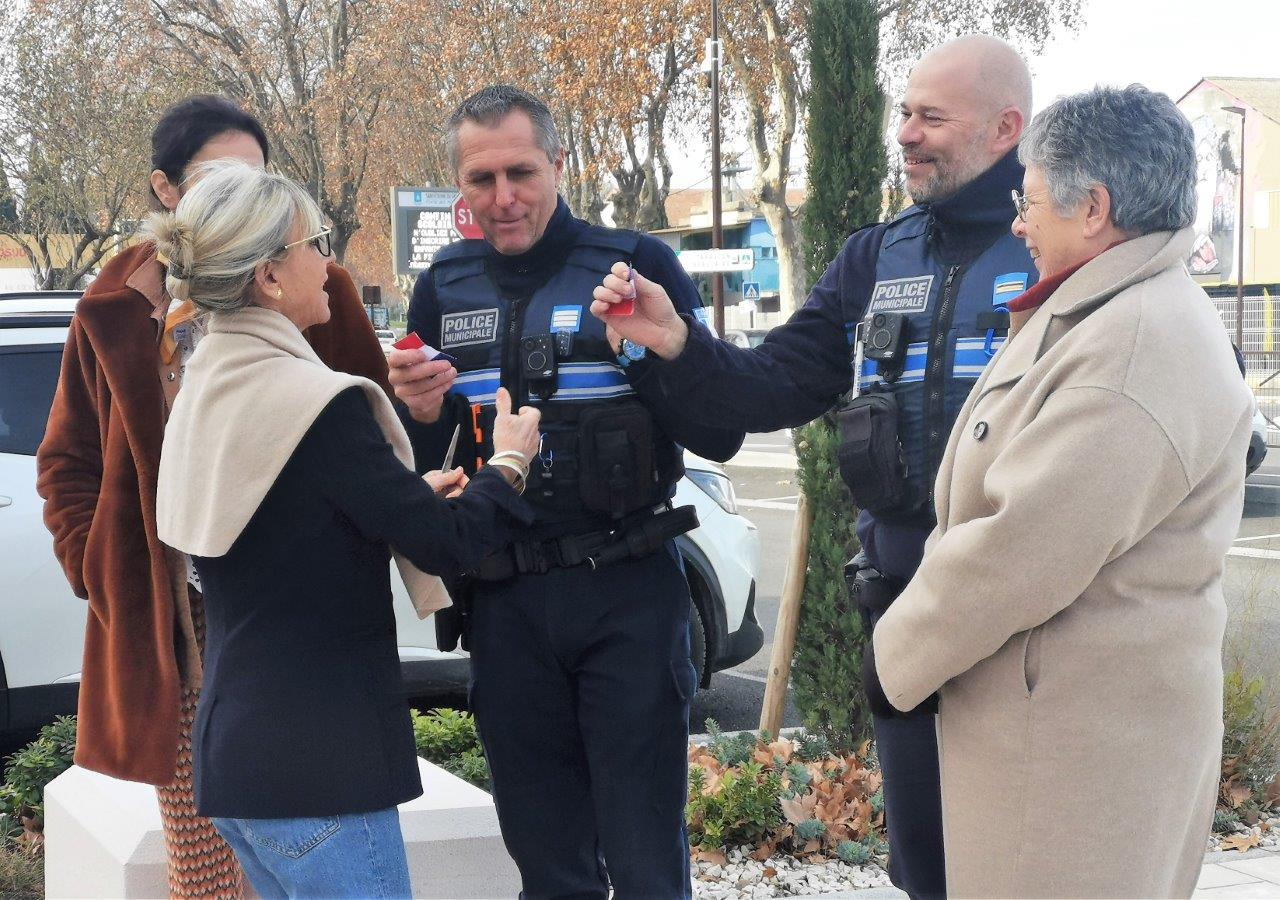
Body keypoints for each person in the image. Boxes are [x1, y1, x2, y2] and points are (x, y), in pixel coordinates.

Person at [592, 36, 1034, 899]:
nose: (905, 133)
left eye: (931, 117)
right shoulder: (875, 256)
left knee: (1023, 859)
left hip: (1023, 613)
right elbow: (769, 387)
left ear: (1005, 127)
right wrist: (677, 341)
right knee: (928, 865)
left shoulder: (1058, 244)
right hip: (904, 600)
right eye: (903, 112)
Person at [863, 84, 1254, 897]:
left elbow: (1021, 547)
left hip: (1075, 755)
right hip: (1070, 729)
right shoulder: (1106, 311)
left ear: (1094, 209)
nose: (1018, 222)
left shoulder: (1133, 344)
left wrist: (894, 661)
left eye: (1030, 199)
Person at [386, 84, 744, 898]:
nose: (503, 198)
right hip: (507, 609)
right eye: (481, 180)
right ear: (459, 189)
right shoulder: (443, 283)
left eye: (521, 171)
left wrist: (655, 351)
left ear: (558, 163)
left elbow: (717, 425)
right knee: (546, 863)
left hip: (627, 595)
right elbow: (430, 461)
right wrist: (420, 413)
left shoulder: (632, 265)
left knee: (647, 860)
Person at [148, 159, 541, 898]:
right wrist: (510, 463)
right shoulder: (314, 404)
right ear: (268, 277)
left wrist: (404, 493)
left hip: (238, 761)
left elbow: (284, 526)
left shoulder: (209, 380)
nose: (327, 263)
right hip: (319, 767)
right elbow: (445, 544)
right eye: (313, 243)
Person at [35, 95, 388, 899]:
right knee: (204, 862)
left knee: (306, 842)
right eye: (218, 177)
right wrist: (103, 573)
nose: (244, 195)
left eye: (259, 178)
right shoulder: (115, 306)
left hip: (286, 609)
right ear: (165, 190)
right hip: (175, 617)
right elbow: (67, 463)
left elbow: (375, 426)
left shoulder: (313, 281)